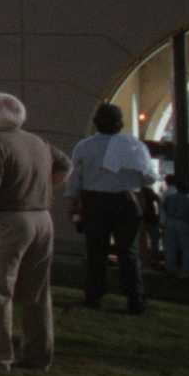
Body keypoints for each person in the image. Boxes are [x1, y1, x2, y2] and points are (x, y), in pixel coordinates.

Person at [0, 93, 63, 372]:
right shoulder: (36, 141)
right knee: (37, 293)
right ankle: (38, 354)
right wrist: (42, 190)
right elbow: (65, 166)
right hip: (41, 219)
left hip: (6, 220)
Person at [66, 102, 158, 313]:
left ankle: (94, 296)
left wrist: (72, 205)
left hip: (94, 202)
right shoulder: (134, 146)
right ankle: (135, 299)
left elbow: (75, 180)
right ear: (120, 124)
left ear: (96, 123)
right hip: (126, 201)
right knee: (129, 253)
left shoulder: (84, 146)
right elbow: (149, 178)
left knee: (95, 252)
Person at [161, 174, 189, 276]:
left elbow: (164, 208)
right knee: (187, 248)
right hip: (185, 223)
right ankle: (186, 270)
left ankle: (170, 268)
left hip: (170, 222)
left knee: (170, 247)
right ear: (188, 189)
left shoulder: (169, 198)